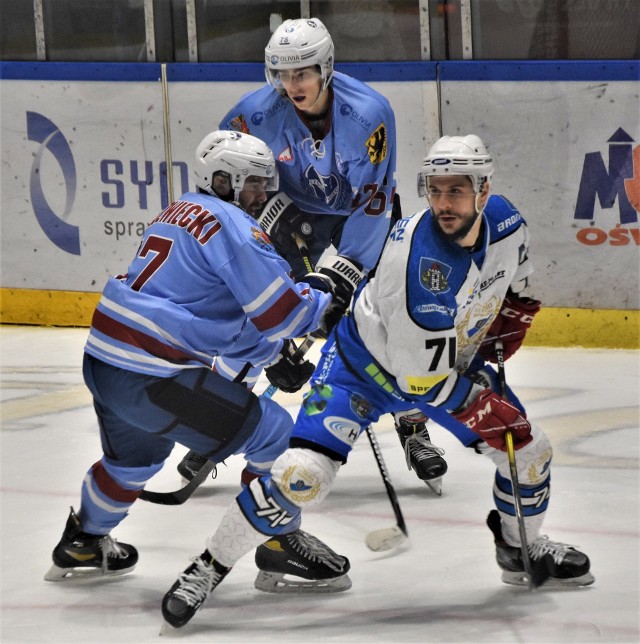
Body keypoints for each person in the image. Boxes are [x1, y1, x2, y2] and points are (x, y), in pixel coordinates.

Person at [160, 133, 594, 629]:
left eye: (455, 190)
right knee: (303, 477)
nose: (443, 203)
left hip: (445, 363)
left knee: (530, 453)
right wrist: (480, 407)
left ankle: (521, 550)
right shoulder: (417, 261)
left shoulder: (508, 223)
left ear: (484, 190)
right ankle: (208, 567)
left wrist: (513, 314)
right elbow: (418, 382)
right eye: (435, 190)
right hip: (359, 371)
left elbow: (517, 279)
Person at [44, 130, 350, 586]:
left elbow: (210, 314)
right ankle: (277, 543)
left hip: (105, 361)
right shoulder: (233, 225)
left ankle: (83, 542)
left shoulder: (175, 213)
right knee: (276, 434)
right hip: (150, 376)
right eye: (253, 183)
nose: (261, 194)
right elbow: (281, 314)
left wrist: (268, 355)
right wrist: (323, 296)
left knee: (134, 462)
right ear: (223, 180)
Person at [177, 16, 447, 491]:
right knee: (264, 312)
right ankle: (218, 422)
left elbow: (373, 200)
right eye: (282, 73)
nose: (292, 84)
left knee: (385, 319)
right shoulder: (250, 117)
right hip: (289, 214)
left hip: (362, 215)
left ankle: (411, 422)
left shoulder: (369, 114)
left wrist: (344, 271)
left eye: (302, 72)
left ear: (325, 67)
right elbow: (233, 200)